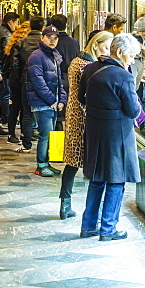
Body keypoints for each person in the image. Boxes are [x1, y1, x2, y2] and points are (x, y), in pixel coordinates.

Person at [78, 32, 142, 241]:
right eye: (132, 56)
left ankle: (88, 225)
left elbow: (81, 97)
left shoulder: (89, 69)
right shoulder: (123, 76)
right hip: (117, 135)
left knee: (97, 178)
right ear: (121, 52)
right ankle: (108, 228)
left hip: (95, 130)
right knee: (116, 180)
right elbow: (133, 110)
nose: (132, 61)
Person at [59, 30, 113, 220]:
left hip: (74, 114)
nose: (107, 51)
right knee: (93, 162)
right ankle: (93, 211)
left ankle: (65, 203)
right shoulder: (89, 66)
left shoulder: (77, 61)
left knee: (73, 162)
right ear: (96, 44)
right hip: (86, 116)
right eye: (105, 47)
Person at [26, 25, 67, 176]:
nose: (52, 40)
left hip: (52, 103)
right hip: (42, 103)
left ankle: (46, 163)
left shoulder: (54, 56)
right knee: (45, 134)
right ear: (42, 37)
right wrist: (52, 100)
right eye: (49, 37)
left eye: (55, 38)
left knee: (49, 134)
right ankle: (41, 165)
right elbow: (38, 82)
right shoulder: (36, 56)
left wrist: (61, 99)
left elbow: (59, 81)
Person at [14, 15, 44, 152]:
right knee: (46, 113)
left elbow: (15, 64)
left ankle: (26, 143)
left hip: (26, 80)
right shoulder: (45, 43)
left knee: (27, 113)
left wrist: (21, 77)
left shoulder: (21, 42)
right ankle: (45, 143)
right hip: (44, 81)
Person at [0, 11, 19, 126]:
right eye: (16, 22)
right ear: (10, 22)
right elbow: (8, 51)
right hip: (2, 67)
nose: (17, 25)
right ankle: (5, 117)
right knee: (5, 93)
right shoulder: (6, 33)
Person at [4, 20, 30, 145]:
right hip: (19, 80)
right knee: (21, 108)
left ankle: (12, 133)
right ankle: (17, 134)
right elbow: (16, 65)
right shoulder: (22, 46)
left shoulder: (13, 44)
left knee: (16, 106)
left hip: (14, 80)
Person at [52, 13, 79, 105]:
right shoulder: (74, 42)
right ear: (66, 26)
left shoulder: (52, 42)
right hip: (70, 78)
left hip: (55, 77)